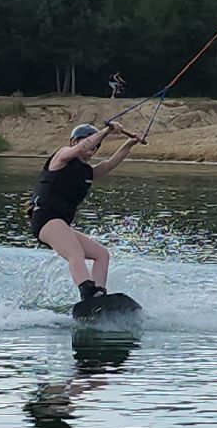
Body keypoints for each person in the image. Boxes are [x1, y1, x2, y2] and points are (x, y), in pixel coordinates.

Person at [28, 121, 143, 304]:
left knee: (101, 254)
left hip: (60, 223)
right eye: (89, 145)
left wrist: (129, 143)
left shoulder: (87, 172)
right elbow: (82, 147)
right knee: (76, 254)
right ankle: (87, 293)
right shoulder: (62, 156)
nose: (90, 151)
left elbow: (109, 164)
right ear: (74, 141)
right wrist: (107, 130)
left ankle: (99, 295)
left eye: (95, 149)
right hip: (45, 218)